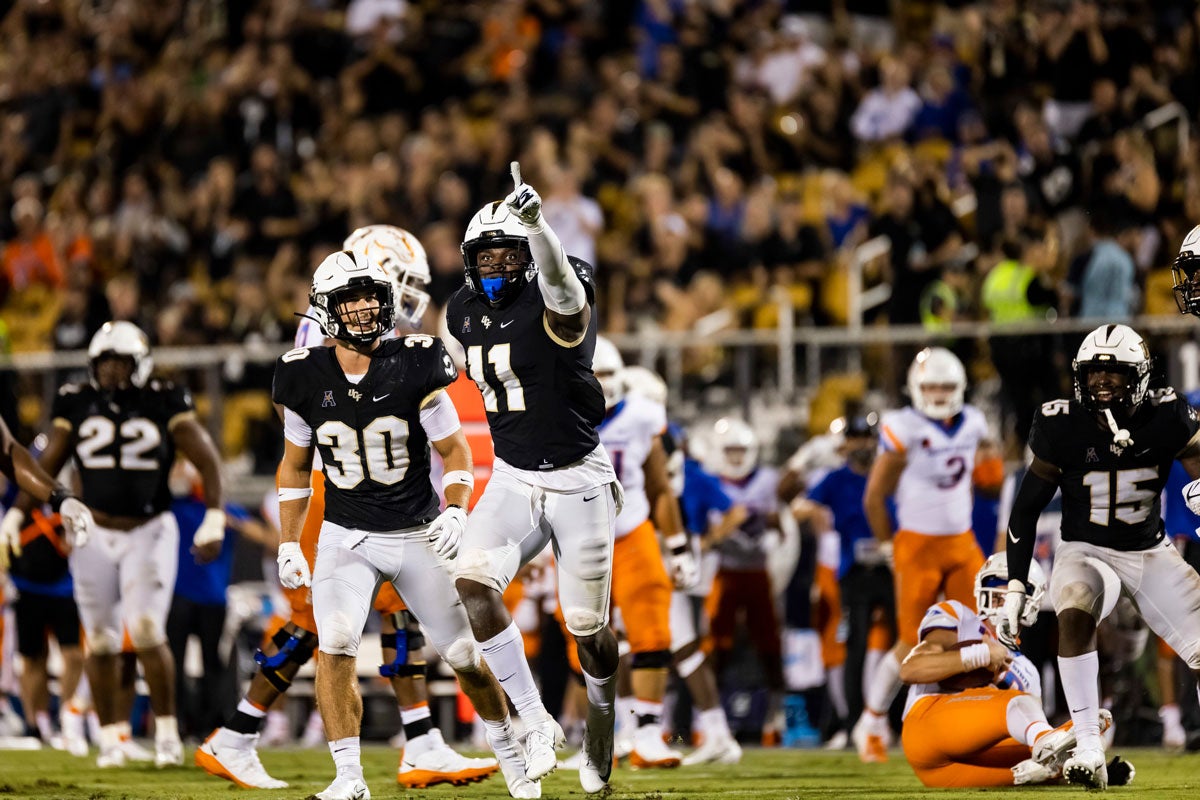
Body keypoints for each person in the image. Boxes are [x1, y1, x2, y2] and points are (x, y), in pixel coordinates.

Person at [198, 225, 496, 791]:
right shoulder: (331, 335)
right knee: (318, 626)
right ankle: (238, 733)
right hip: (332, 494)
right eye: (400, 283)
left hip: (363, 496)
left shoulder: (363, 325)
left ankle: (422, 740)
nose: (404, 299)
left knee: (391, 608)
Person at [269, 249, 531, 800]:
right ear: (325, 309)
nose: (364, 307)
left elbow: (456, 451)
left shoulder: (418, 361)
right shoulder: (299, 375)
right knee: (336, 642)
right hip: (347, 534)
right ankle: (349, 778)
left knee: (462, 655)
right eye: (351, 298)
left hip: (416, 530)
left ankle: (508, 746)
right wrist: (289, 541)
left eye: (371, 296)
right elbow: (294, 466)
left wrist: (457, 509)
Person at [446, 163, 622, 795]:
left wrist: (539, 225)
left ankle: (601, 727)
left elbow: (564, 296)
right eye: (483, 257)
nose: (494, 269)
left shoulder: (560, 284)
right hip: (515, 478)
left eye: (506, 255)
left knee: (586, 629)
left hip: (578, 479)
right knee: (472, 583)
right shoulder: (460, 309)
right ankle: (536, 718)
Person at [7, 320, 222, 769]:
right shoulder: (76, 400)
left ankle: (166, 733)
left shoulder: (165, 398)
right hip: (93, 529)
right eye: (104, 362)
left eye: (120, 362)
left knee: (146, 631)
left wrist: (215, 514)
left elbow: (205, 455)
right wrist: (17, 513)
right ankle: (109, 738)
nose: (111, 372)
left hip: (149, 528)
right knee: (101, 641)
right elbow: (47, 461)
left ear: (139, 362)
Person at [1002, 323, 1200, 790]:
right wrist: (1015, 585)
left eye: (1114, 374)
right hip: (1086, 547)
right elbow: (1025, 509)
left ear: (1142, 376)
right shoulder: (1060, 422)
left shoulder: (1167, 414)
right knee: (1073, 607)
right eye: (1093, 374)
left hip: (1148, 550)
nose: (1101, 383)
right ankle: (1089, 747)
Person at [853, 347, 995, 763]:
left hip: (961, 541)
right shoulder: (905, 427)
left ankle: (969, 722)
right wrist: (887, 545)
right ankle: (872, 720)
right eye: (930, 386)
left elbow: (983, 472)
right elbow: (874, 498)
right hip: (917, 543)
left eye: (946, 387)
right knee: (910, 642)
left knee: (979, 635)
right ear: (915, 388)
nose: (937, 394)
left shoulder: (973, 422)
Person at [899, 551, 1130, 787]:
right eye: (997, 589)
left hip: (955, 770)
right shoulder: (958, 616)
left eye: (1013, 591)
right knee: (1022, 705)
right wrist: (980, 654)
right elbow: (910, 670)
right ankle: (1046, 745)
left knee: (1088, 730)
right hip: (926, 730)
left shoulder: (1027, 671)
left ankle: (1062, 768)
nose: (1004, 598)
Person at [706, 417, 791, 745]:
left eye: (742, 450)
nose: (737, 457)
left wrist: (773, 519)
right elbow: (708, 531)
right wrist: (732, 523)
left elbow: (786, 513)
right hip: (724, 570)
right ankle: (708, 716)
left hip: (758, 570)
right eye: (731, 450)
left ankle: (775, 714)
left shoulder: (769, 480)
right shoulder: (712, 482)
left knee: (770, 645)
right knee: (716, 645)